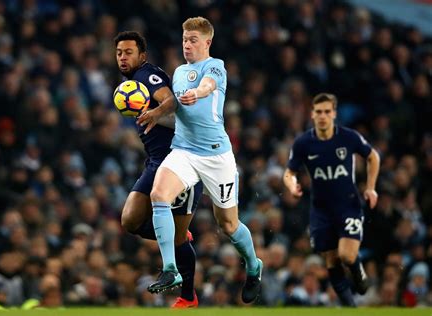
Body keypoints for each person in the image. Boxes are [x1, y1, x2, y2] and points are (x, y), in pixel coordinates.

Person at [137, 17, 262, 304]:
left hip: (216, 156)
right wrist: (157, 113)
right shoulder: (179, 72)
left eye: (193, 39)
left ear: (207, 42)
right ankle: (170, 269)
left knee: (228, 225)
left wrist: (198, 93)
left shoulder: (215, 66)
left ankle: (254, 266)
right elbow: (176, 104)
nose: (187, 44)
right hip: (183, 151)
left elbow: (207, 86)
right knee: (159, 194)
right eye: (184, 39)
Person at [114, 31, 203, 308]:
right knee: (130, 219)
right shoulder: (131, 83)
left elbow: (170, 100)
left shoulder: (147, 76)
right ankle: (177, 234)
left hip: (179, 160)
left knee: (177, 237)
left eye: (129, 52)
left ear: (142, 56)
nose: (123, 57)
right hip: (155, 160)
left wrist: (155, 112)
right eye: (119, 52)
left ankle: (188, 296)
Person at [283, 93, 381, 306]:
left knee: (346, 255)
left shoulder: (348, 137)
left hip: (348, 205)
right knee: (331, 259)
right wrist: (292, 185)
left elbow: (373, 156)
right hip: (320, 210)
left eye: (327, 112)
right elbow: (289, 172)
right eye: (318, 112)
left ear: (334, 114)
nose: (323, 116)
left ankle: (357, 269)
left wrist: (371, 188)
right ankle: (350, 307)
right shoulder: (303, 143)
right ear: (312, 114)